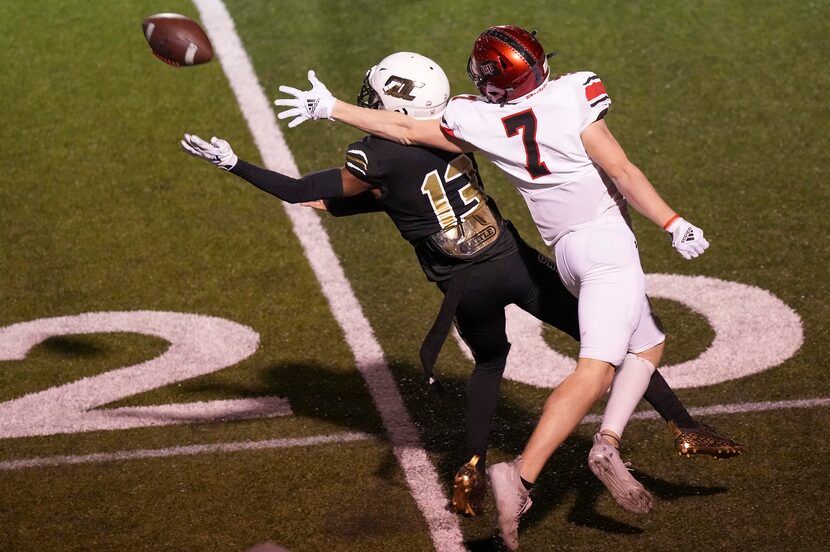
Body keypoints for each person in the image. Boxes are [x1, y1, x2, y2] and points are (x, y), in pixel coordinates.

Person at [272, 28, 741, 550]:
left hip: (563, 251)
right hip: (605, 245)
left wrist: (332, 107)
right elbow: (623, 170)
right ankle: (526, 474)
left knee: (647, 341)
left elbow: (404, 130)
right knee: (596, 369)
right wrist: (673, 221)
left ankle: (644, 434)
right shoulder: (573, 94)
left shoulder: (477, 118)